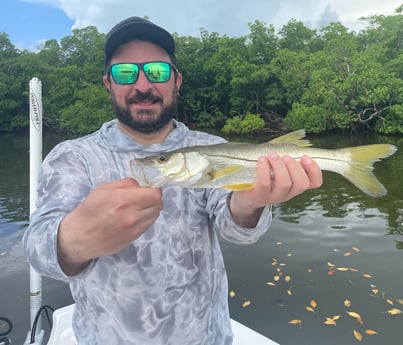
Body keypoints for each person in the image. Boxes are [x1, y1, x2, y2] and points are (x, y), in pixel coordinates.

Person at [23, 16, 323, 345]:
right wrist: (74, 239)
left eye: (157, 71)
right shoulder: (73, 157)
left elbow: (236, 229)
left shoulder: (211, 147)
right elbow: (38, 249)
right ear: (108, 83)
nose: (142, 85)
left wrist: (251, 202)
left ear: (176, 81)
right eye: (126, 73)